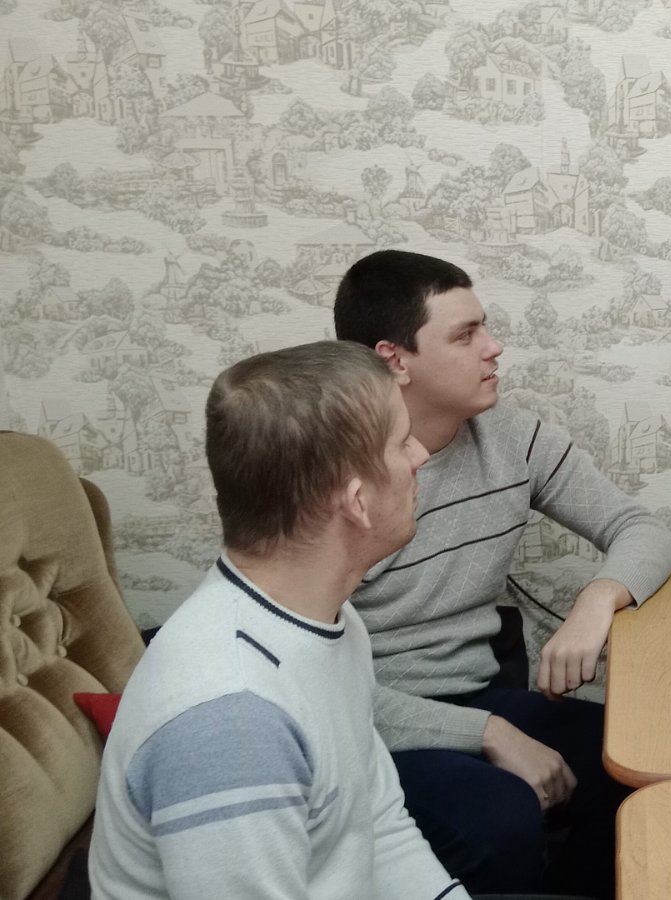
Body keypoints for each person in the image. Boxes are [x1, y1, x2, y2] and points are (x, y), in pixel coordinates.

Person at [334, 249, 671, 897]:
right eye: (465, 335)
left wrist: (597, 601)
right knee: (500, 817)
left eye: (484, 327)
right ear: (394, 359)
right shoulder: (337, 479)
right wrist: (487, 733)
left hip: (474, 693)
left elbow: (643, 529)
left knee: (636, 757)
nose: (494, 348)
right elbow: (315, 692)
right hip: (370, 726)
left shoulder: (512, 439)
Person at [89, 342, 463, 900]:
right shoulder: (232, 721)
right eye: (401, 441)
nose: (421, 456)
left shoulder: (328, 619)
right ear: (357, 501)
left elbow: (379, 824)